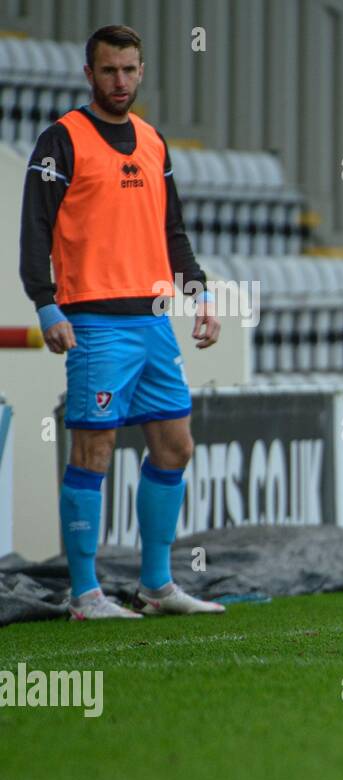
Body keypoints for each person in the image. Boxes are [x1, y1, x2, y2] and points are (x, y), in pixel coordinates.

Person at [20, 24, 224, 619]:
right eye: (109, 70)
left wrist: (201, 297)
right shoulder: (61, 140)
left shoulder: (153, 141)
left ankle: (156, 585)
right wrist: (45, 302)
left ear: (141, 70)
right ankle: (86, 594)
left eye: (130, 70)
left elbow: (173, 234)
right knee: (93, 451)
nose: (120, 81)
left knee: (175, 447)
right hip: (94, 324)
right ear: (89, 75)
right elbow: (34, 228)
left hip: (154, 322)